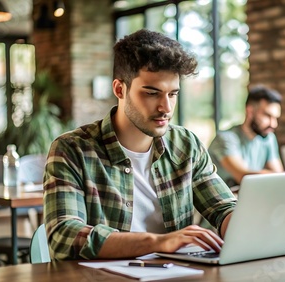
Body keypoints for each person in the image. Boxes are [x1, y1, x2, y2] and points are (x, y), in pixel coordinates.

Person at [43, 29, 237, 260]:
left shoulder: (186, 145)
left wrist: (245, 225)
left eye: (173, 94)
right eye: (152, 93)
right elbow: (64, 236)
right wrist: (157, 242)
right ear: (119, 89)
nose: (166, 107)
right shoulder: (72, 149)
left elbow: (223, 208)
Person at [208, 85, 284, 187]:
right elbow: (244, 177)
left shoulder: (268, 138)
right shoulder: (225, 138)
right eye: (267, 116)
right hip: (222, 201)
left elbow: (279, 176)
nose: (273, 124)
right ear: (250, 111)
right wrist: (281, 176)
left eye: (275, 118)